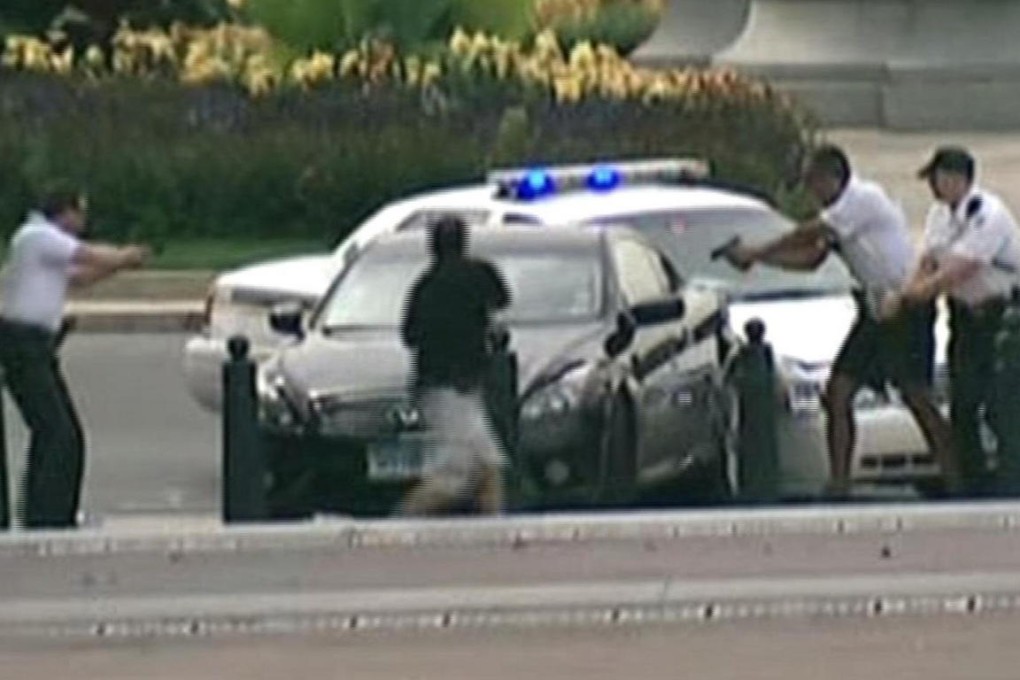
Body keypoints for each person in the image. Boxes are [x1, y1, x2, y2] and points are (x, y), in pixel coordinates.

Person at [720, 144, 960, 497]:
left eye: (814, 182)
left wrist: (755, 251)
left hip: (905, 306)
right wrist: (760, 261)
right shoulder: (841, 214)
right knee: (839, 390)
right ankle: (840, 482)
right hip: (874, 309)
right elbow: (812, 258)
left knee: (916, 395)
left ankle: (956, 476)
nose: (811, 192)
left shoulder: (861, 199)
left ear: (834, 177)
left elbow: (809, 233)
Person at [0, 183, 150, 529]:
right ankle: (49, 515)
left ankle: (45, 511)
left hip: (35, 347)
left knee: (53, 431)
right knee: (60, 434)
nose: (83, 219)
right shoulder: (38, 235)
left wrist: (121, 266)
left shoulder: (42, 245)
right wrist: (126, 255)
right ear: (65, 212)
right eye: (80, 211)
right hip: (25, 345)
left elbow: (79, 278)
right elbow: (90, 256)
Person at [882, 147, 1020, 495]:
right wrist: (905, 293)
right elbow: (928, 261)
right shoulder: (939, 215)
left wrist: (910, 297)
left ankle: (1010, 478)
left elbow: (959, 270)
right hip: (965, 319)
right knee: (964, 401)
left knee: (1000, 401)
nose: (933, 185)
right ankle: (973, 481)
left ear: (958, 179)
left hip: (1001, 318)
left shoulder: (988, 214)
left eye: (938, 178)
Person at [396, 216, 512, 516]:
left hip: (436, 386)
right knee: (457, 475)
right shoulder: (479, 274)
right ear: (464, 241)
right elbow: (502, 298)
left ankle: (493, 531)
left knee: (487, 464)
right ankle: (400, 521)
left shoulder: (426, 285)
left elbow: (410, 334)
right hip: (461, 387)